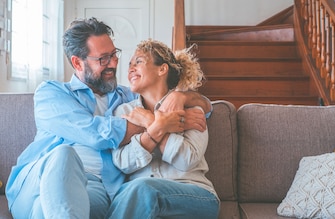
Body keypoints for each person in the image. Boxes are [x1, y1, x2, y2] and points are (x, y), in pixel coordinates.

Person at [5, 17, 212, 219]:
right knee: (64, 155)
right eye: (103, 58)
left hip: (97, 187)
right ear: (77, 63)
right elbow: (95, 133)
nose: (114, 63)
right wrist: (156, 123)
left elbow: (202, 107)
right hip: (42, 179)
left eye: (114, 54)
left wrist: (181, 96)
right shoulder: (52, 93)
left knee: (54, 210)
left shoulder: (127, 98)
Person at [107, 39, 220, 219]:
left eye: (139, 62)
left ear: (162, 69)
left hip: (195, 195)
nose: (130, 69)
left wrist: (150, 122)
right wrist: (159, 126)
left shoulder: (192, 109)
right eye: (129, 64)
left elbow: (187, 160)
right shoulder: (124, 111)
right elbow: (122, 162)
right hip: (138, 195)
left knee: (143, 189)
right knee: (139, 190)